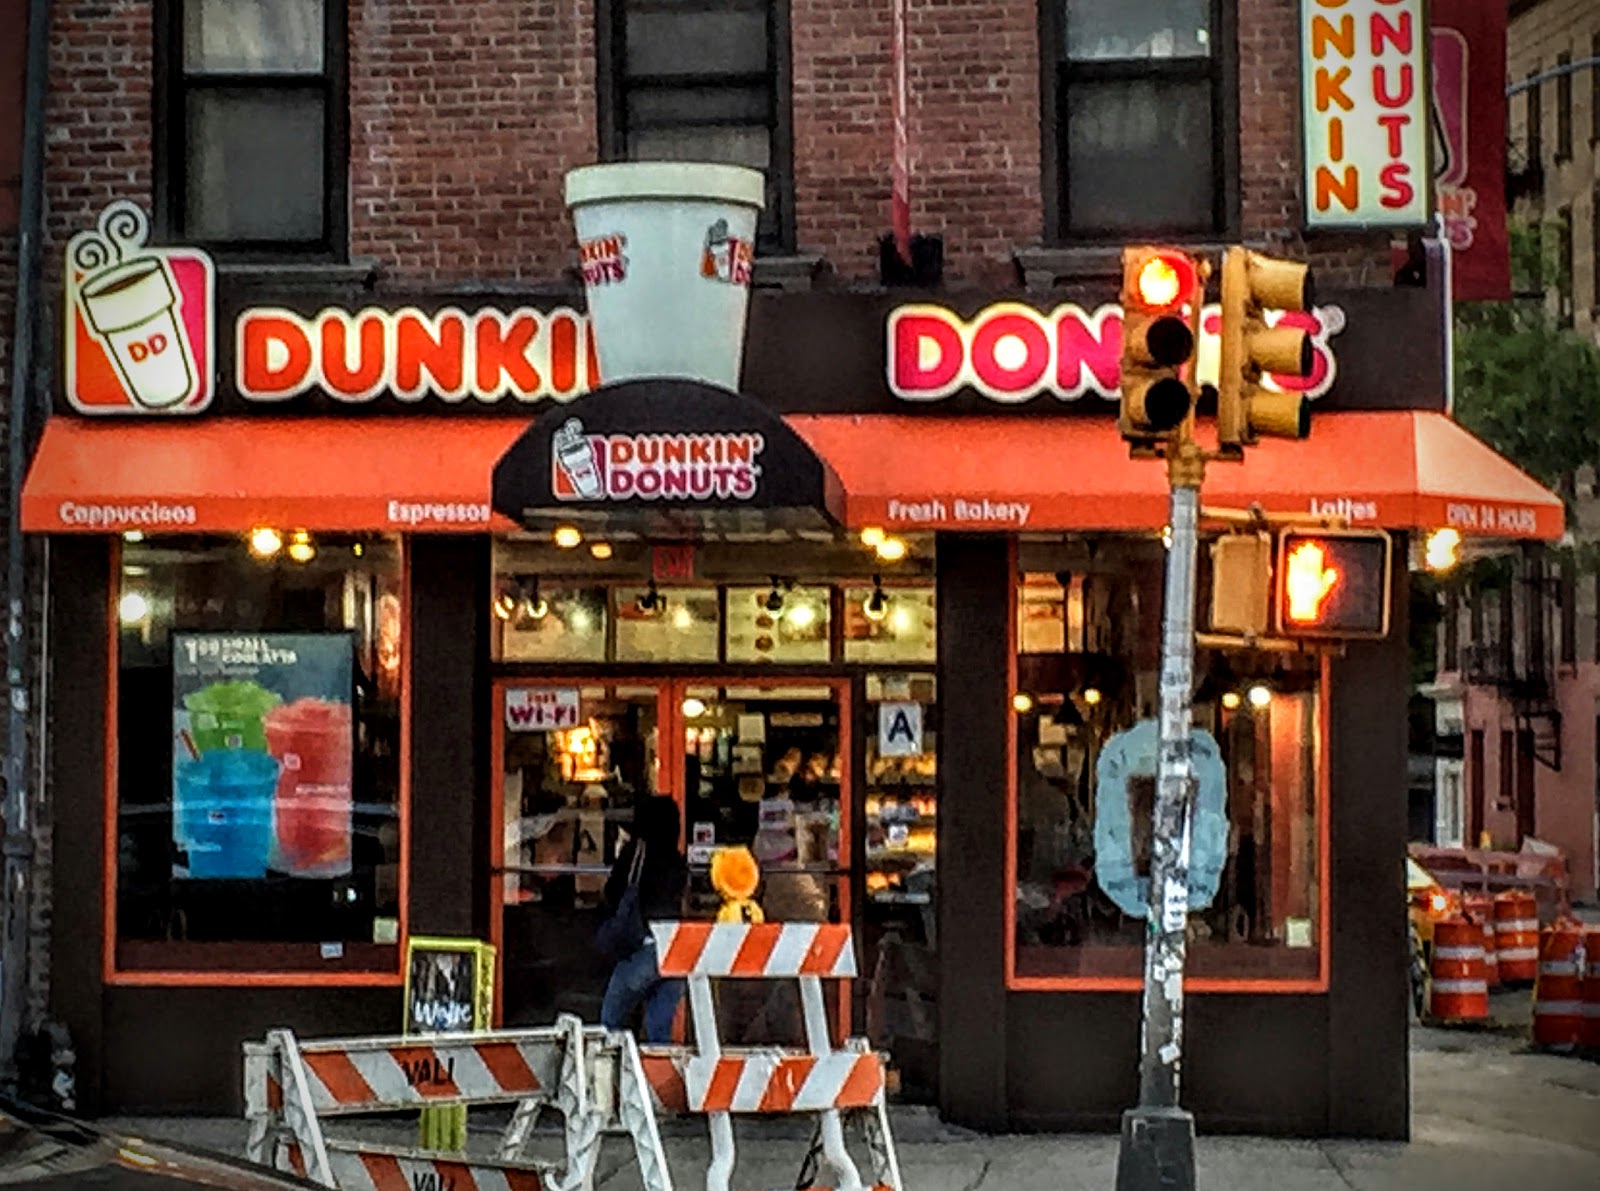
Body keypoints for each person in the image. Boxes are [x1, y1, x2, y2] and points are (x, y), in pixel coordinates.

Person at [600, 795, 688, 1042]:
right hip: (675, 945)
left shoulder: (637, 853)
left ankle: (610, 1075)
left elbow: (613, 891)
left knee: (611, 1018)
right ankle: (658, 1079)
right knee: (659, 1028)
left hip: (643, 943)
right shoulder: (677, 859)